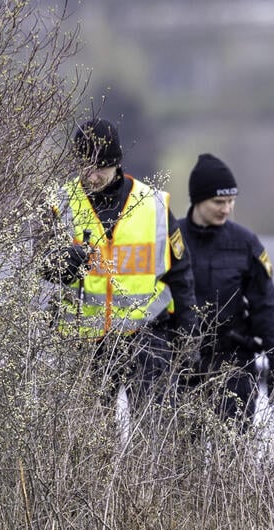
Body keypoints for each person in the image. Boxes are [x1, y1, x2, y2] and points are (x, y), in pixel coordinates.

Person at [40, 118, 197, 410]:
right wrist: (63, 263)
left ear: (117, 164)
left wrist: (188, 337)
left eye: (100, 168)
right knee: (88, 442)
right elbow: (40, 266)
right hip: (83, 343)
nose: (92, 176)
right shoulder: (58, 204)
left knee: (153, 433)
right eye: (84, 166)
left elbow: (181, 273)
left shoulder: (154, 205)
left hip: (148, 337)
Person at [177, 153, 274, 434]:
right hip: (183, 365)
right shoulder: (172, 238)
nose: (226, 209)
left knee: (234, 453)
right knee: (178, 460)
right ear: (198, 199)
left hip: (234, 363)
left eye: (230, 201)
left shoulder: (245, 242)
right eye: (219, 202)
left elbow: (266, 306)